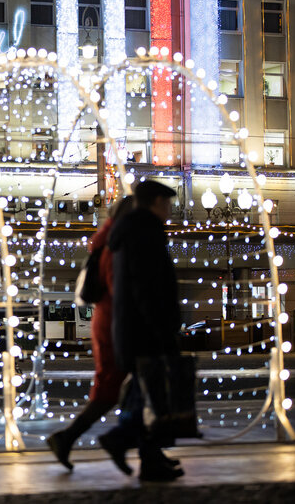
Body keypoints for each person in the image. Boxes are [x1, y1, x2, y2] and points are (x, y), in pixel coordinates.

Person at [98, 180, 183, 482]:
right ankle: (124, 441)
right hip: (146, 329)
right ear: (157, 201)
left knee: (145, 394)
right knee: (154, 395)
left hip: (135, 328)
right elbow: (148, 286)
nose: (170, 209)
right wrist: (163, 327)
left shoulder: (132, 231)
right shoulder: (145, 232)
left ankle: (149, 456)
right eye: (168, 203)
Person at [47, 195, 134, 470]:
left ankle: (141, 447)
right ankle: (115, 440)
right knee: (115, 389)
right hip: (115, 325)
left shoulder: (108, 242)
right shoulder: (118, 245)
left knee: (127, 387)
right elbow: (121, 291)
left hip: (110, 322)